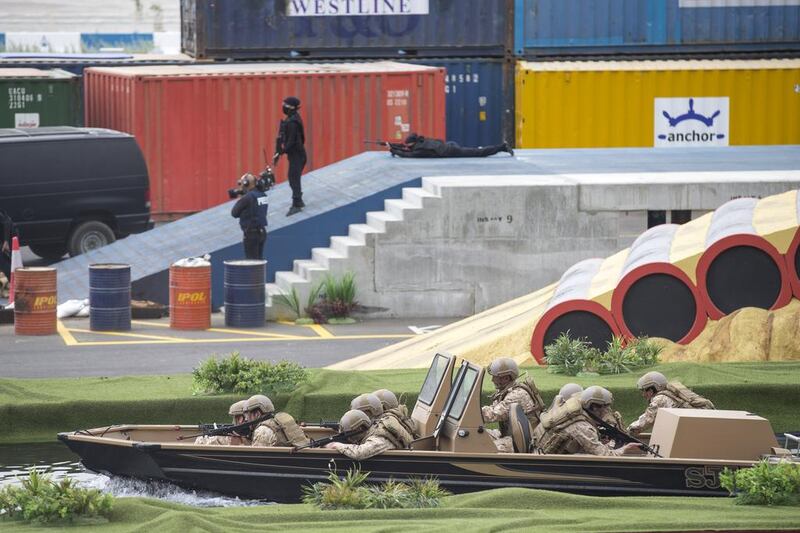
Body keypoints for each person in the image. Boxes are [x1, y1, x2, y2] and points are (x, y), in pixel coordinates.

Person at [532, 386, 642, 456]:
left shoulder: (579, 414)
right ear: (594, 407)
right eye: (605, 407)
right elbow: (605, 456)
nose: (608, 410)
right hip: (545, 461)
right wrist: (625, 449)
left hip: (541, 451)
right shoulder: (582, 426)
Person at [481, 357, 545, 452]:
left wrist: (471, 412)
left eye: (495, 377)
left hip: (528, 442)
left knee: (487, 448)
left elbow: (493, 414)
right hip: (514, 435)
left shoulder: (517, 395)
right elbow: (494, 407)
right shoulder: (506, 391)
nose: (492, 380)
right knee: (479, 435)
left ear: (506, 378)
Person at [628, 371, 715, 436]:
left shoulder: (660, 398)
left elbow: (647, 419)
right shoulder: (671, 394)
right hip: (702, 427)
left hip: (694, 430)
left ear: (651, 390)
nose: (643, 395)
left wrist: (628, 430)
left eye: (644, 391)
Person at [273, 96, 306, 216]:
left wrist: (281, 151)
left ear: (292, 107)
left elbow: (292, 141)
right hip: (296, 155)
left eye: (285, 105)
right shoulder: (291, 119)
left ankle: (296, 204)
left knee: (293, 178)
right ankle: (299, 201)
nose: (283, 107)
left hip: (297, 155)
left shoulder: (292, 122)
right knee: (293, 178)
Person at [325, 409, 400, 460]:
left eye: (350, 433)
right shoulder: (375, 428)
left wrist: (336, 445)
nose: (349, 437)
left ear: (359, 429)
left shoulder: (378, 437)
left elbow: (360, 453)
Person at [245, 394, 311, 447]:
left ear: (257, 414)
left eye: (247, 414)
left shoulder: (262, 430)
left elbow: (256, 456)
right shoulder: (278, 422)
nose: (246, 419)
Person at [230, 173, 268, 260]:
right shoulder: (262, 195)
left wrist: (241, 197)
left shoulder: (248, 197)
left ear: (246, 184)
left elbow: (234, 213)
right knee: (259, 260)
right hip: (262, 232)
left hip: (251, 234)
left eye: (242, 183)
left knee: (252, 262)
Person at [389, 133, 513, 158]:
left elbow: (408, 155)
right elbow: (406, 148)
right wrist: (393, 147)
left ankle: (502, 147)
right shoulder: (421, 141)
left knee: (478, 153)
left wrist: (393, 150)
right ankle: (501, 147)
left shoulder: (421, 150)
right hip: (448, 144)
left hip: (451, 150)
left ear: (413, 143)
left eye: (408, 144)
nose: (407, 146)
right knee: (475, 150)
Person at [0, 209, 15, 282]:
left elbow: (7, 222)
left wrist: (6, 241)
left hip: (9, 233)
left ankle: (13, 281)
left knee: (3, 260)